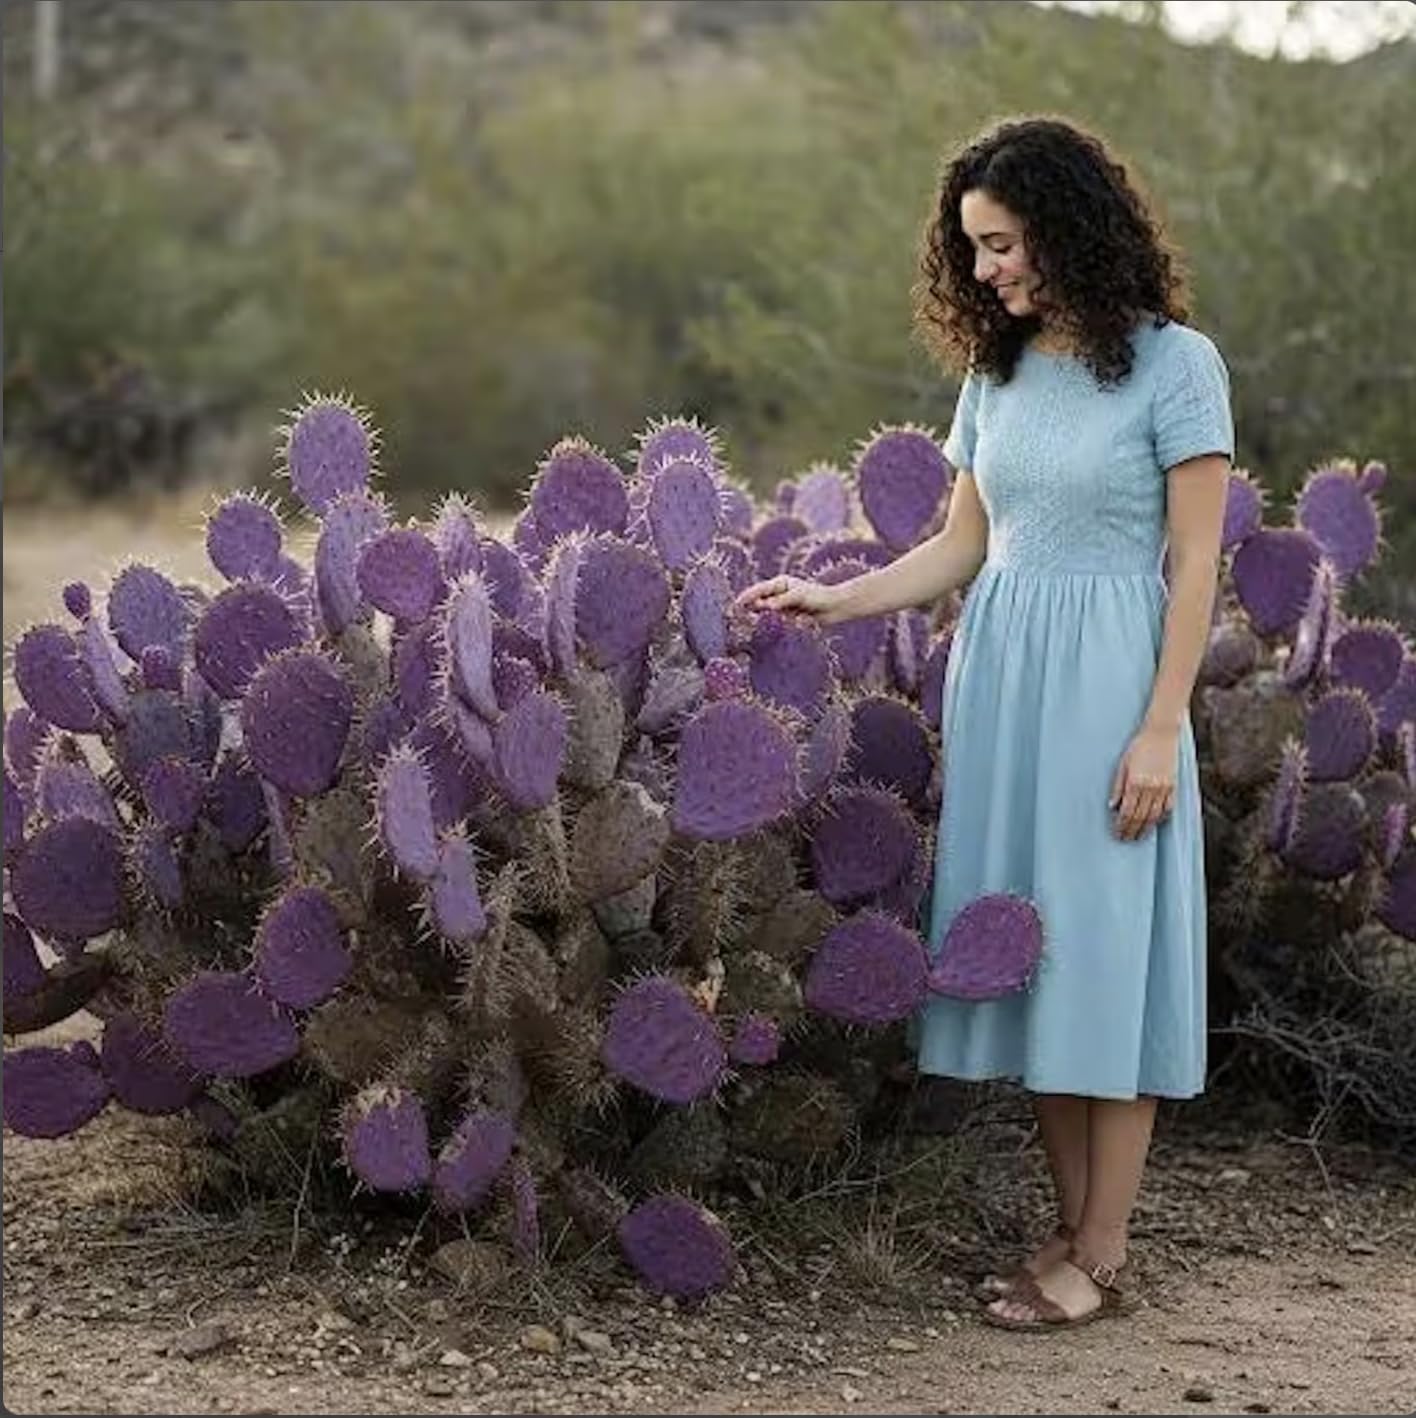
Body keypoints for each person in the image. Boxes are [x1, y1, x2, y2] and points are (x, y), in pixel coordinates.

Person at [735, 115, 1232, 1331]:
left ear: (1067, 225)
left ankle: (1103, 1252)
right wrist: (839, 595)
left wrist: (1161, 725)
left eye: (1003, 243)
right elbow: (965, 542)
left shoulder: (1179, 365)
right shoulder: (995, 373)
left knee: (1107, 960)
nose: (989, 271)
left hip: (1115, 682)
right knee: (1039, 958)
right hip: (1005, 681)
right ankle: (1069, 1231)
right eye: (973, 251)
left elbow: (1199, 558)